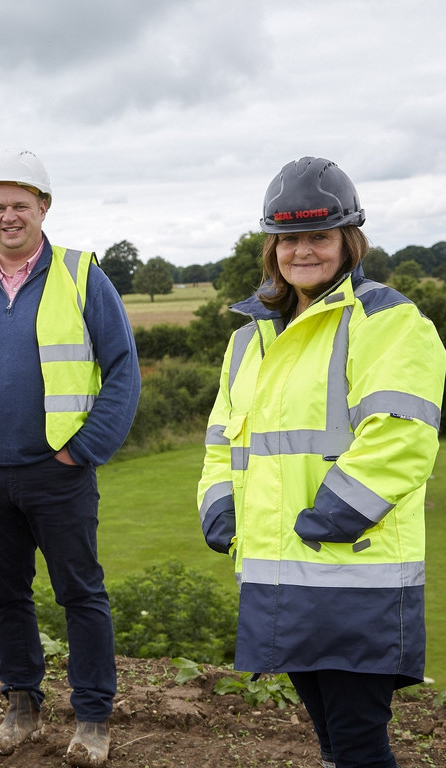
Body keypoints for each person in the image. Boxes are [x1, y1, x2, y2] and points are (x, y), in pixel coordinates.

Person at [197, 156, 446, 768]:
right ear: (271, 247)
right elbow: (223, 438)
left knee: (359, 740)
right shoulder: (249, 336)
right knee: (333, 740)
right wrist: (219, 504)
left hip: (354, 566)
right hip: (278, 568)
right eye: (289, 238)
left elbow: (401, 435)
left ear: (348, 241)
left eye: (319, 236)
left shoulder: (390, 322)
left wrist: (332, 517)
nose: (302, 251)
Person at [0, 149, 141, 767]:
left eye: (21, 205)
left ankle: (93, 718)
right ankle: (21, 707)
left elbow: (122, 368)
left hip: (57, 471)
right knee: (5, 597)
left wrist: (85, 449)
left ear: (44, 208)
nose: (8, 216)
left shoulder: (80, 275)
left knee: (81, 594)